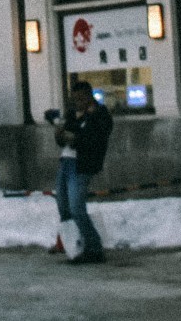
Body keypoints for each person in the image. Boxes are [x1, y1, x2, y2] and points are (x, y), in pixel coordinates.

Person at [53, 82, 111, 264]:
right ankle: (75, 247)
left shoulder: (101, 115)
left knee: (76, 207)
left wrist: (75, 136)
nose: (77, 102)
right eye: (74, 99)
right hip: (66, 161)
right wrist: (61, 134)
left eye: (80, 99)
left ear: (89, 96)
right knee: (63, 205)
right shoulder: (73, 114)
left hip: (82, 164)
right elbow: (66, 137)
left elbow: (93, 139)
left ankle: (94, 247)